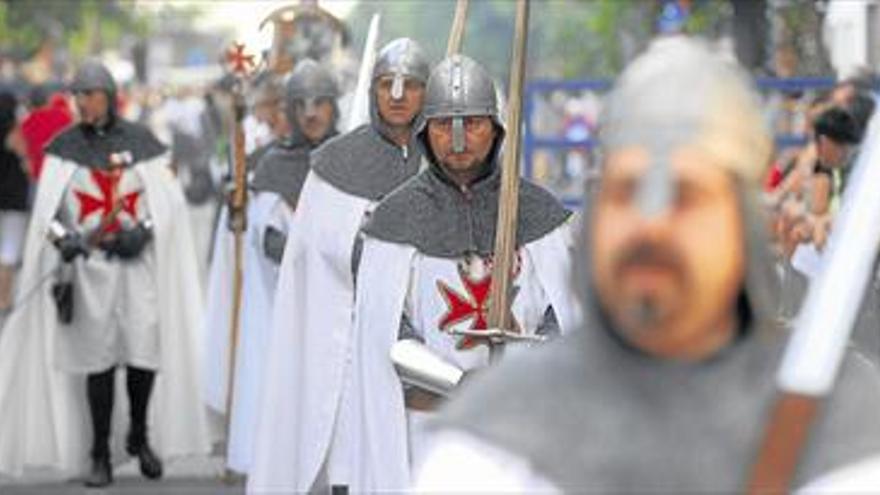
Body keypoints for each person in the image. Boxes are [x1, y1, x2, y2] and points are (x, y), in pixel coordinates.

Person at [415, 37, 880, 493]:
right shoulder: (493, 441)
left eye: (686, 196)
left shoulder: (848, 431)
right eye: (628, 192)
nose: (652, 227)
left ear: (742, 224)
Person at [345, 53, 576, 491]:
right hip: (427, 427)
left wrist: (524, 370)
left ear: (496, 128)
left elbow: (564, 314)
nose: (457, 140)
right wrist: (459, 381)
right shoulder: (395, 219)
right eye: (443, 125)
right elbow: (384, 332)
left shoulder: (537, 213)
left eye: (472, 123)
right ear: (424, 131)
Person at [0, 60, 209, 487]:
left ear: (108, 96)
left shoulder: (143, 143)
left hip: (138, 267)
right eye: (77, 95)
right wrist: (66, 240)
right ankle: (99, 453)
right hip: (91, 271)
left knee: (142, 352)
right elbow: (49, 212)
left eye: (89, 94)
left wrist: (144, 232)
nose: (82, 103)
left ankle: (139, 435)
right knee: (96, 360)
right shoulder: (64, 148)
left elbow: (167, 206)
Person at [247, 38, 430, 493]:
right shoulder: (336, 163)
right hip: (352, 327)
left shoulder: (447, 155)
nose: (398, 94)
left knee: (419, 449)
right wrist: (367, 255)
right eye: (387, 83)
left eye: (411, 85)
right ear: (372, 91)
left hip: (429, 327)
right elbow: (312, 248)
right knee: (352, 445)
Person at [203, 59, 340, 474]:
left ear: (335, 106)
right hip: (285, 296)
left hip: (340, 299)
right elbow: (263, 234)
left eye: (321, 103)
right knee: (285, 385)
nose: (312, 113)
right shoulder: (273, 165)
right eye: (303, 104)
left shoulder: (354, 161)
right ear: (291, 111)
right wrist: (256, 226)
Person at [0, 91, 29, 314]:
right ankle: (4, 299)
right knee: (8, 251)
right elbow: (27, 164)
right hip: (14, 199)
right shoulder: (16, 135)